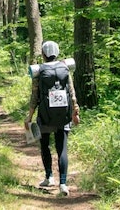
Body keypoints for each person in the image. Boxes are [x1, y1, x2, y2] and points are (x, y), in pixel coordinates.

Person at [24, 40, 79, 197]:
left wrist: (29, 115)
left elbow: (35, 96)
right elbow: (71, 91)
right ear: (57, 52)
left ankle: (49, 177)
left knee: (45, 145)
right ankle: (63, 183)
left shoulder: (38, 71)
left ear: (43, 54)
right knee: (62, 148)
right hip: (64, 115)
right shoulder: (65, 68)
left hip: (45, 115)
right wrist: (75, 109)